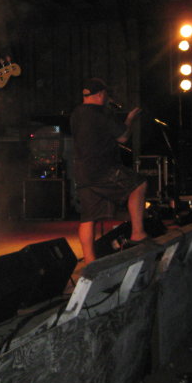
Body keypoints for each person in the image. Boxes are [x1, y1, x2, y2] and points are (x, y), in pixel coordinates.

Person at [70, 78, 147, 263]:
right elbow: (123, 137)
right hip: (103, 169)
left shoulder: (76, 113)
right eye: (105, 94)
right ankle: (138, 233)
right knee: (139, 184)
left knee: (88, 218)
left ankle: (89, 261)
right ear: (100, 94)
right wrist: (129, 118)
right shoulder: (101, 112)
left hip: (83, 171)